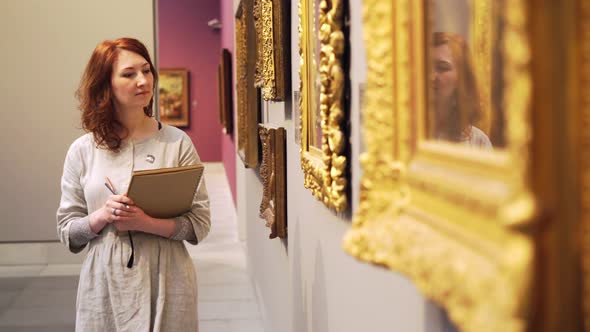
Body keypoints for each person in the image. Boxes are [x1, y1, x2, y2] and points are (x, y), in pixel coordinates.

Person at [56, 37, 211, 331]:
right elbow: (68, 232)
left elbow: (199, 224)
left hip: (168, 277)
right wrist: (102, 216)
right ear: (106, 85)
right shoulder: (82, 150)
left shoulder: (177, 143)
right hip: (104, 282)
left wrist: (145, 222)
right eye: (129, 74)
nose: (143, 80)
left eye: (147, 70)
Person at [431, 31, 492, 149]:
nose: (431, 76)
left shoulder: (478, 142)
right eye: (426, 66)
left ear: (461, 79)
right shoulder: (404, 135)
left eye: (442, 68)